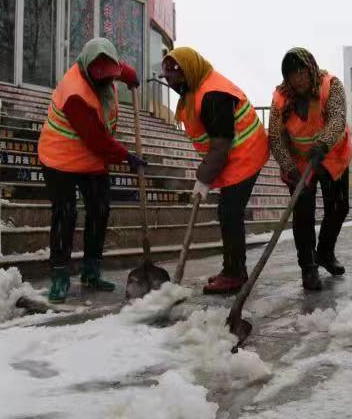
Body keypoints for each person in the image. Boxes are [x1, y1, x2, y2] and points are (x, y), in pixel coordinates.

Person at [38, 38, 146, 303]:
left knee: (100, 210)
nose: (107, 83)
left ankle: (91, 271)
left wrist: (131, 77)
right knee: (65, 213)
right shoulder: (76, 93)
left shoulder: (103, 65)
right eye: (102, 79)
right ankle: (60, 276)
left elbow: (117, 68)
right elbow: (97, 140)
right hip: (59, 158)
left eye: (111, 77)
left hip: (90, 160)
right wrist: (127, 156)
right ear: (88, 69)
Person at [161, 47, 270, 295]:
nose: (171, 84)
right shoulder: (196, 89)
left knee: (230, 212)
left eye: (174, 78)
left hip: (246, 154)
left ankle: (235, 273)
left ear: (188, 71)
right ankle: (231, 268)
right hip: (233, 156)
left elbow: (220, 145)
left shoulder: (213, 95)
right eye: (167, 80)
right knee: (227, 212)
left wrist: (203, 179)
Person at [268, 48, 352, 291]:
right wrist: (290, 168)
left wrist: (323, 143)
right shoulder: (281, 98)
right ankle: (308, 266)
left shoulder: (330, 85)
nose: (299, 80)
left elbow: (337, 119)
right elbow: (275, 137)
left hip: (331, 154)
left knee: (338, 208)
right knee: (303, 216)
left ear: (311, 70)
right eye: (293, 75)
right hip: (298, 161)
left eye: (303, 73)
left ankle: (325, 252)